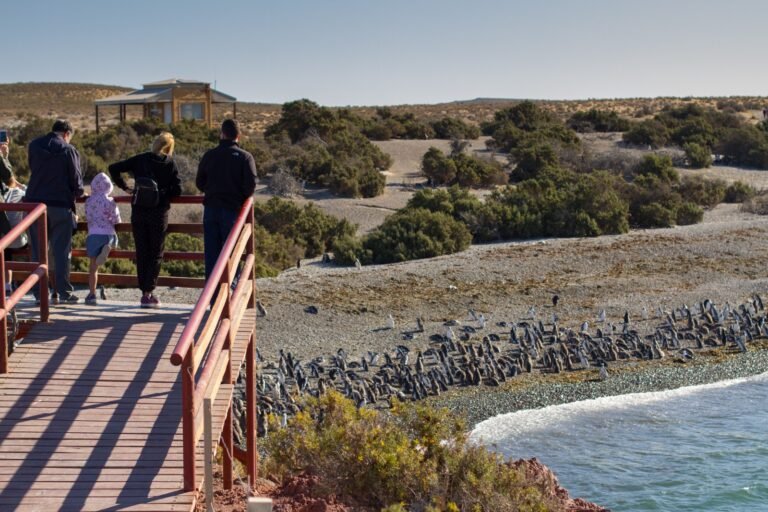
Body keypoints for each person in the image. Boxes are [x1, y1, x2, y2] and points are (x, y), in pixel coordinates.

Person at [109, 132, 181, 308]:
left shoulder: (140, 159)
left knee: (142, 252)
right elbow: (178, 190)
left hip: (139, 212)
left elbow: (113, 168)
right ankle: (148, 292)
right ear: (169, 148)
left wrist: (125, 187)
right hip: (158, 213)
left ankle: (144, 293)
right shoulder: (169, 163)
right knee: (156, 253)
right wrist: (165, 193)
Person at [25, 119, 84, 305]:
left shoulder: (34, 145)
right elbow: (76, 181)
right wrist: (79, 193)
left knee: (37, 252)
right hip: (60, 206)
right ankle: (64, 292)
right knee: (61, 252)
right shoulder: (69, 150)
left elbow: (32, 169)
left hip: (34, 206)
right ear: (67, 134)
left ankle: (39, 293)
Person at [196, 119, 257, 280]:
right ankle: (230, 290)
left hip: (210, 209)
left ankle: (214, 292)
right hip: (233, 210)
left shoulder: (209, 155)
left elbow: (199, 182)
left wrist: (211, 191)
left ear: (221, 134)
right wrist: (241, 197)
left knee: (212, 254)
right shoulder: (245, 157)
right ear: (238, 136)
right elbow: (251, 185)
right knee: (232, 252)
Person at [84, 172, 121, 305]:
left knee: (93, 267)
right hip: (108, 234)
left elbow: (88, 217)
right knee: (113, 241)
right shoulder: (110, 201)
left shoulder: (89, 201)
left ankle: (92, 294)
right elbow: (116, 219)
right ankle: (108, 248)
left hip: (93, 235)